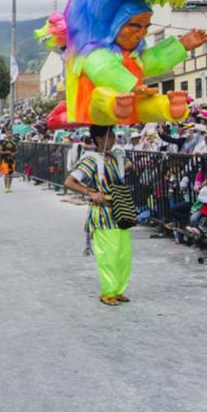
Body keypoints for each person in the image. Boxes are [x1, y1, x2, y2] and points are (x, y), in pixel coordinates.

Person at [64, 125, 131, 306]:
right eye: (110, 136)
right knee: (108, 255)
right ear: (100, 139)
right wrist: (91, 193)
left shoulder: (113, 157)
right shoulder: (91, 160)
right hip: (103, 214)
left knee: (124, 254)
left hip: (120, 211)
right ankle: (108, 292)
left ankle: (118, 290)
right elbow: (70, 181)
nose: (114, 140)